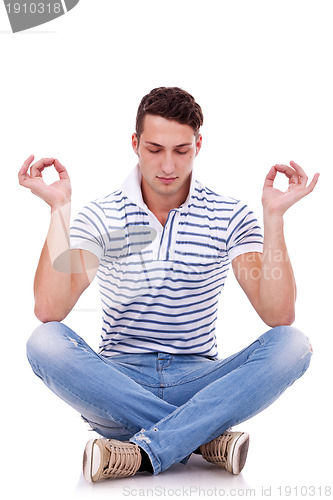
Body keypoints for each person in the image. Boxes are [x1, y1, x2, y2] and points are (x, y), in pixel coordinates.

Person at [19, 87, 319, 483]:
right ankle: (200, 438)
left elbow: (277, 314)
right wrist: (59, 209)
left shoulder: (228, 214)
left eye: (181, 150)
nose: (167, 165)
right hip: (116, 383)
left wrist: (274, 217)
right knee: (44, 341)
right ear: (135, 144)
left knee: (293, 344)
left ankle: (143, 450)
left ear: (198, 145)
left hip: (198, 383)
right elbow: (50, 309)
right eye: (155, 148)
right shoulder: (104, 213)